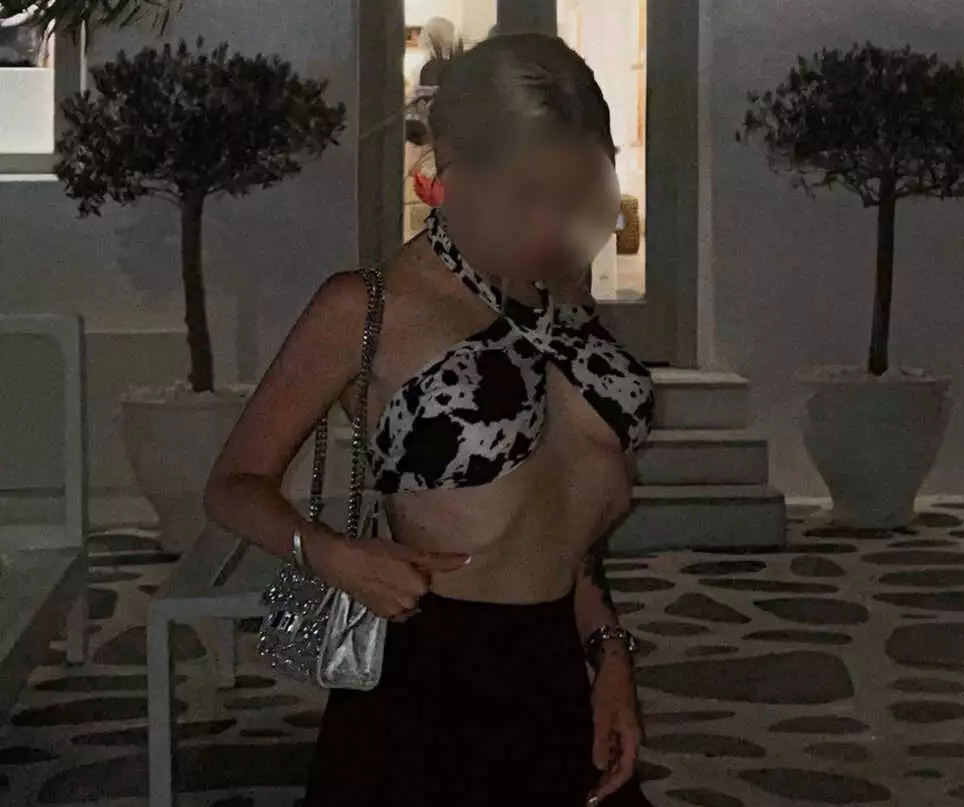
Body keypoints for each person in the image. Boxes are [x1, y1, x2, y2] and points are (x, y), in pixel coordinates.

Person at [204, 32, 655, 807]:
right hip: (429, 683)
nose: (551, 223)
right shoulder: (367, 307)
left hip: (557, 669)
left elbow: (561, 511)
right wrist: (330, 553)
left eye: (574, 191)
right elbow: (231, 485)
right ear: (450, 169)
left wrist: (607, 649)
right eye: (526, 193)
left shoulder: (560, 291)